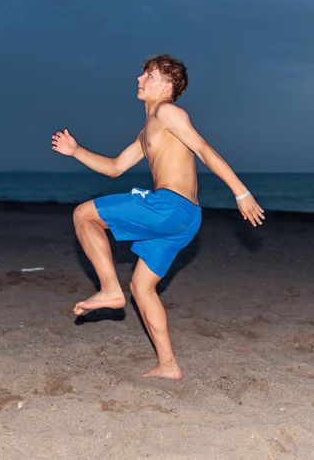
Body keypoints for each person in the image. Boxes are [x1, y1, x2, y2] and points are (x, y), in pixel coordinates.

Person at [51, 54, 265, 380]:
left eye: (149, 75)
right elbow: (114, 168)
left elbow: (203, 149)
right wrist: (76, 151)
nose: (140, 79)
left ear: (167, 85)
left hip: (170, 206)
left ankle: (109, 289)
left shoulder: (168, 112)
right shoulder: (146, 131)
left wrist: (241, 192)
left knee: (84, 214)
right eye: (142, 74)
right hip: (185, 220)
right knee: (142, 286)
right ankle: (168, 365)